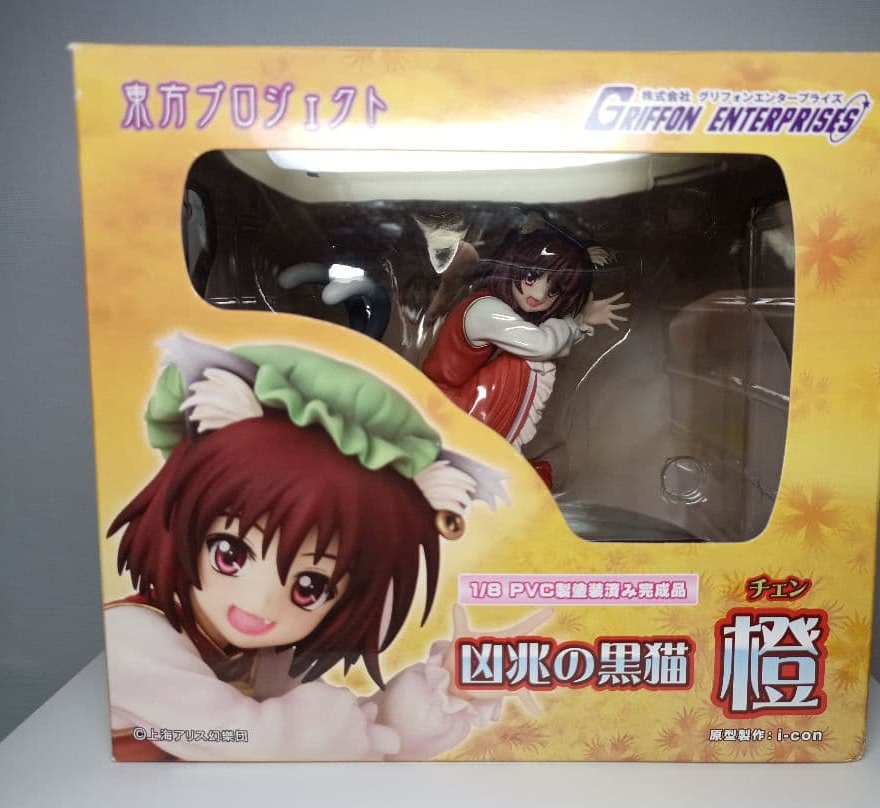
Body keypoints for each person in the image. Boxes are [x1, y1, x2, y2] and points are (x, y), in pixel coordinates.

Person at [104, 333, 532, 761]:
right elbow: (255, 740)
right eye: (230, 555)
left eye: (310, 586)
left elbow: (360, 739)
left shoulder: (261, 655)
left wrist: (446, 690)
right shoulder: (133, 636)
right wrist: (352, 734)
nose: (262, 601)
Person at [421, 222, 628, 486]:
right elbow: (540, 345)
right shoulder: (487, 310)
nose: (539, 295)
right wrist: (577, 321)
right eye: (531, 277)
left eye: (554, 290)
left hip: (447, 400)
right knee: (527, 364)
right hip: (444, 406)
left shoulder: (494, 304)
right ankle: (487, 462)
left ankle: (499, 470)